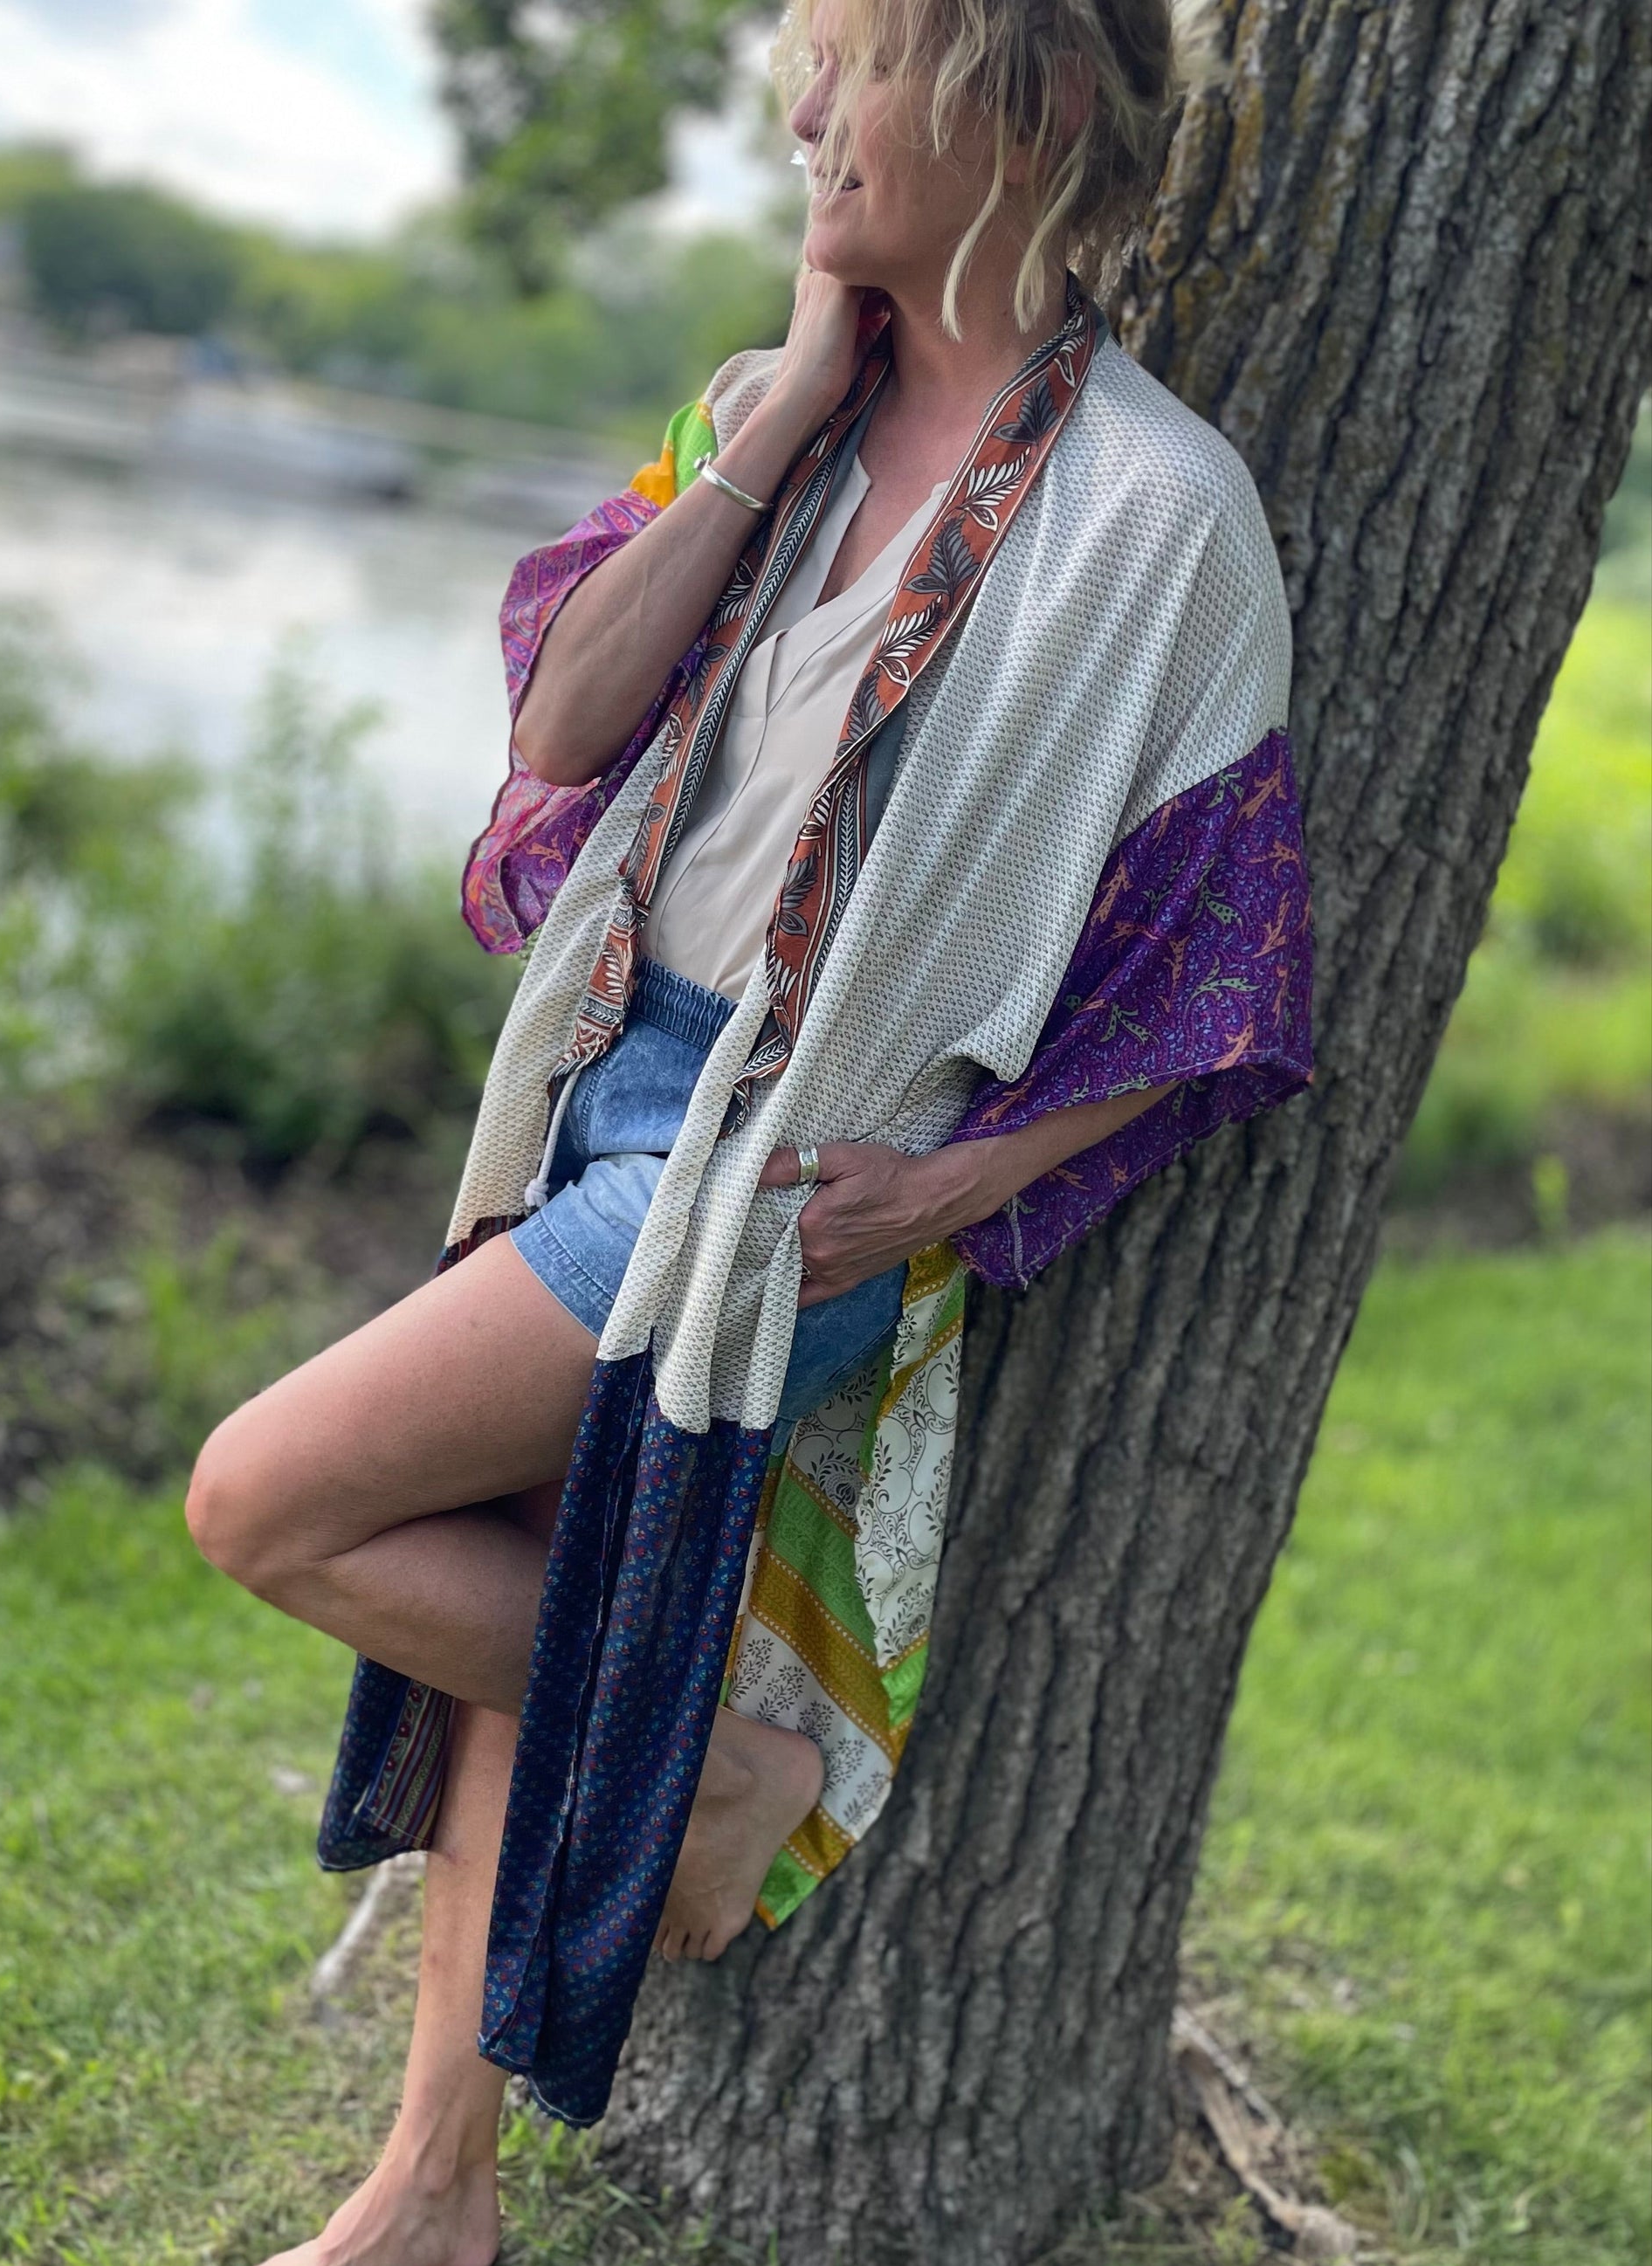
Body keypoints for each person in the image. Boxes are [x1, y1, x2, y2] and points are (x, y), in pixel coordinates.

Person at [186, 0, 1313, 2256]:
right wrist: (785, 403)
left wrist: (940, 1191)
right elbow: (565, 719)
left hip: (769, 1177)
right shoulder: (758, 409)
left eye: (847, 63)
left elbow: (1219, 977)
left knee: (261, 1493)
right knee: (492, 1530)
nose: (800, 113)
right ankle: (435, 2185)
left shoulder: (1159, 522)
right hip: (603, 1073)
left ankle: (711, 1755)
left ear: (1022, 96)